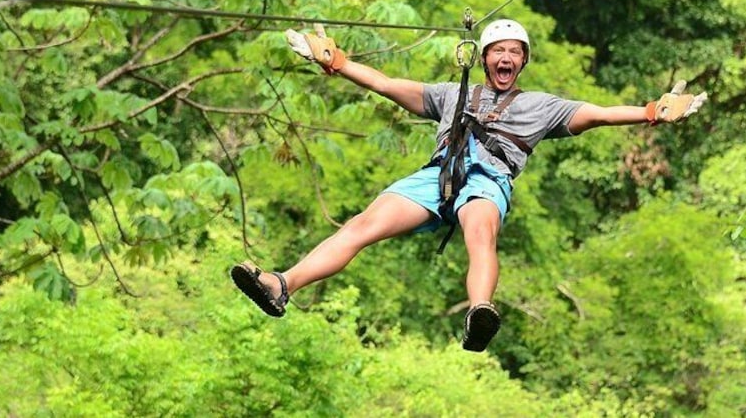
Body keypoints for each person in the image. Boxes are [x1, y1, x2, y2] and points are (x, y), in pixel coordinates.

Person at [231, 19, 707, 352]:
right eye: (498, 51)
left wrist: (649, 111)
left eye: (514, 53)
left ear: (522, 63)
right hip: (438, 177)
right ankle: (281, 284)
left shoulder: (543, 106)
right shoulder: (450, 95)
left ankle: (481, 311)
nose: (505, 58)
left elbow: (599, 114)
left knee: (480, 233)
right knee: (361, 225)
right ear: (484, 59)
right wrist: (335, 61)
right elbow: (385, 83)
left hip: (487, 180)